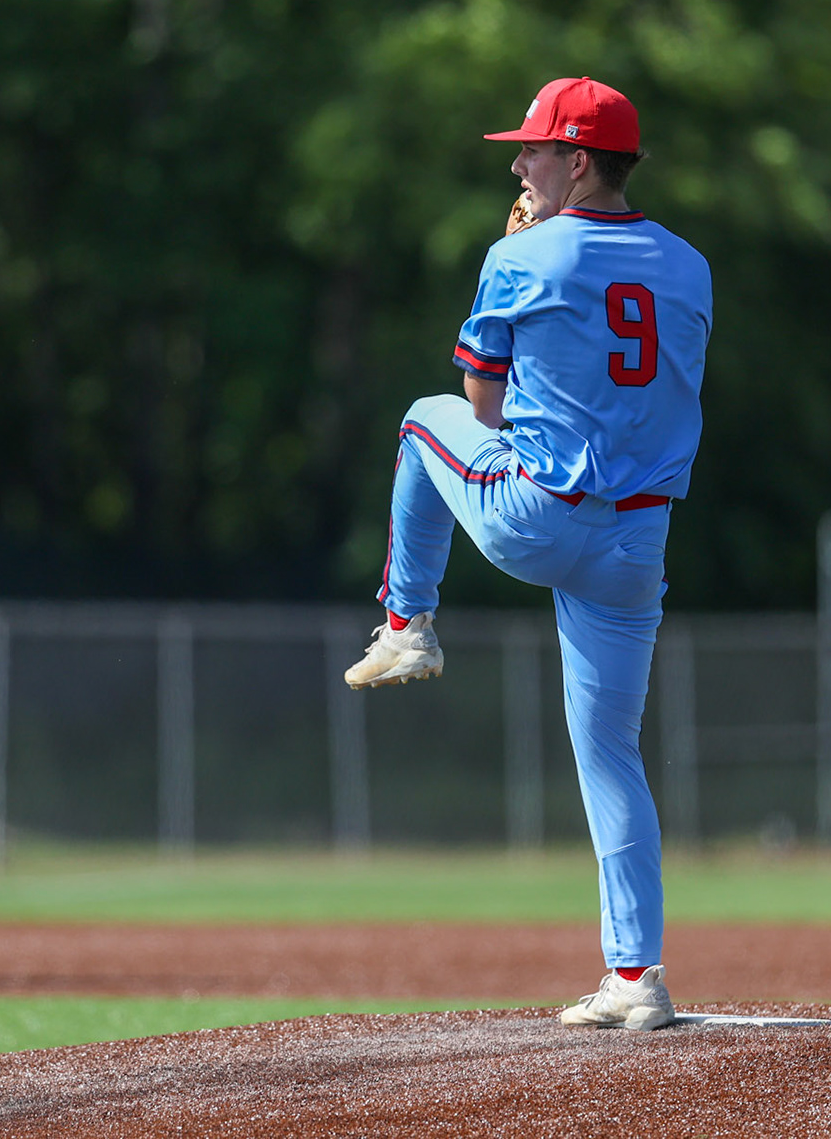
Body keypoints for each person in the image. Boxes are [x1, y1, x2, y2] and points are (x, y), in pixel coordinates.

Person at [345, 76, 713, 1031]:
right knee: (610, 753)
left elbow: (480, 405)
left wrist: (515, 256)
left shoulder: (522, 254)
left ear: (578, 161)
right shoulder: (691, 265)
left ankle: (405, 622)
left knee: (421, 418)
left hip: (537, 515)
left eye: (534, 149)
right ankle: (637, 980)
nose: (519, 163)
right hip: (638, 540)